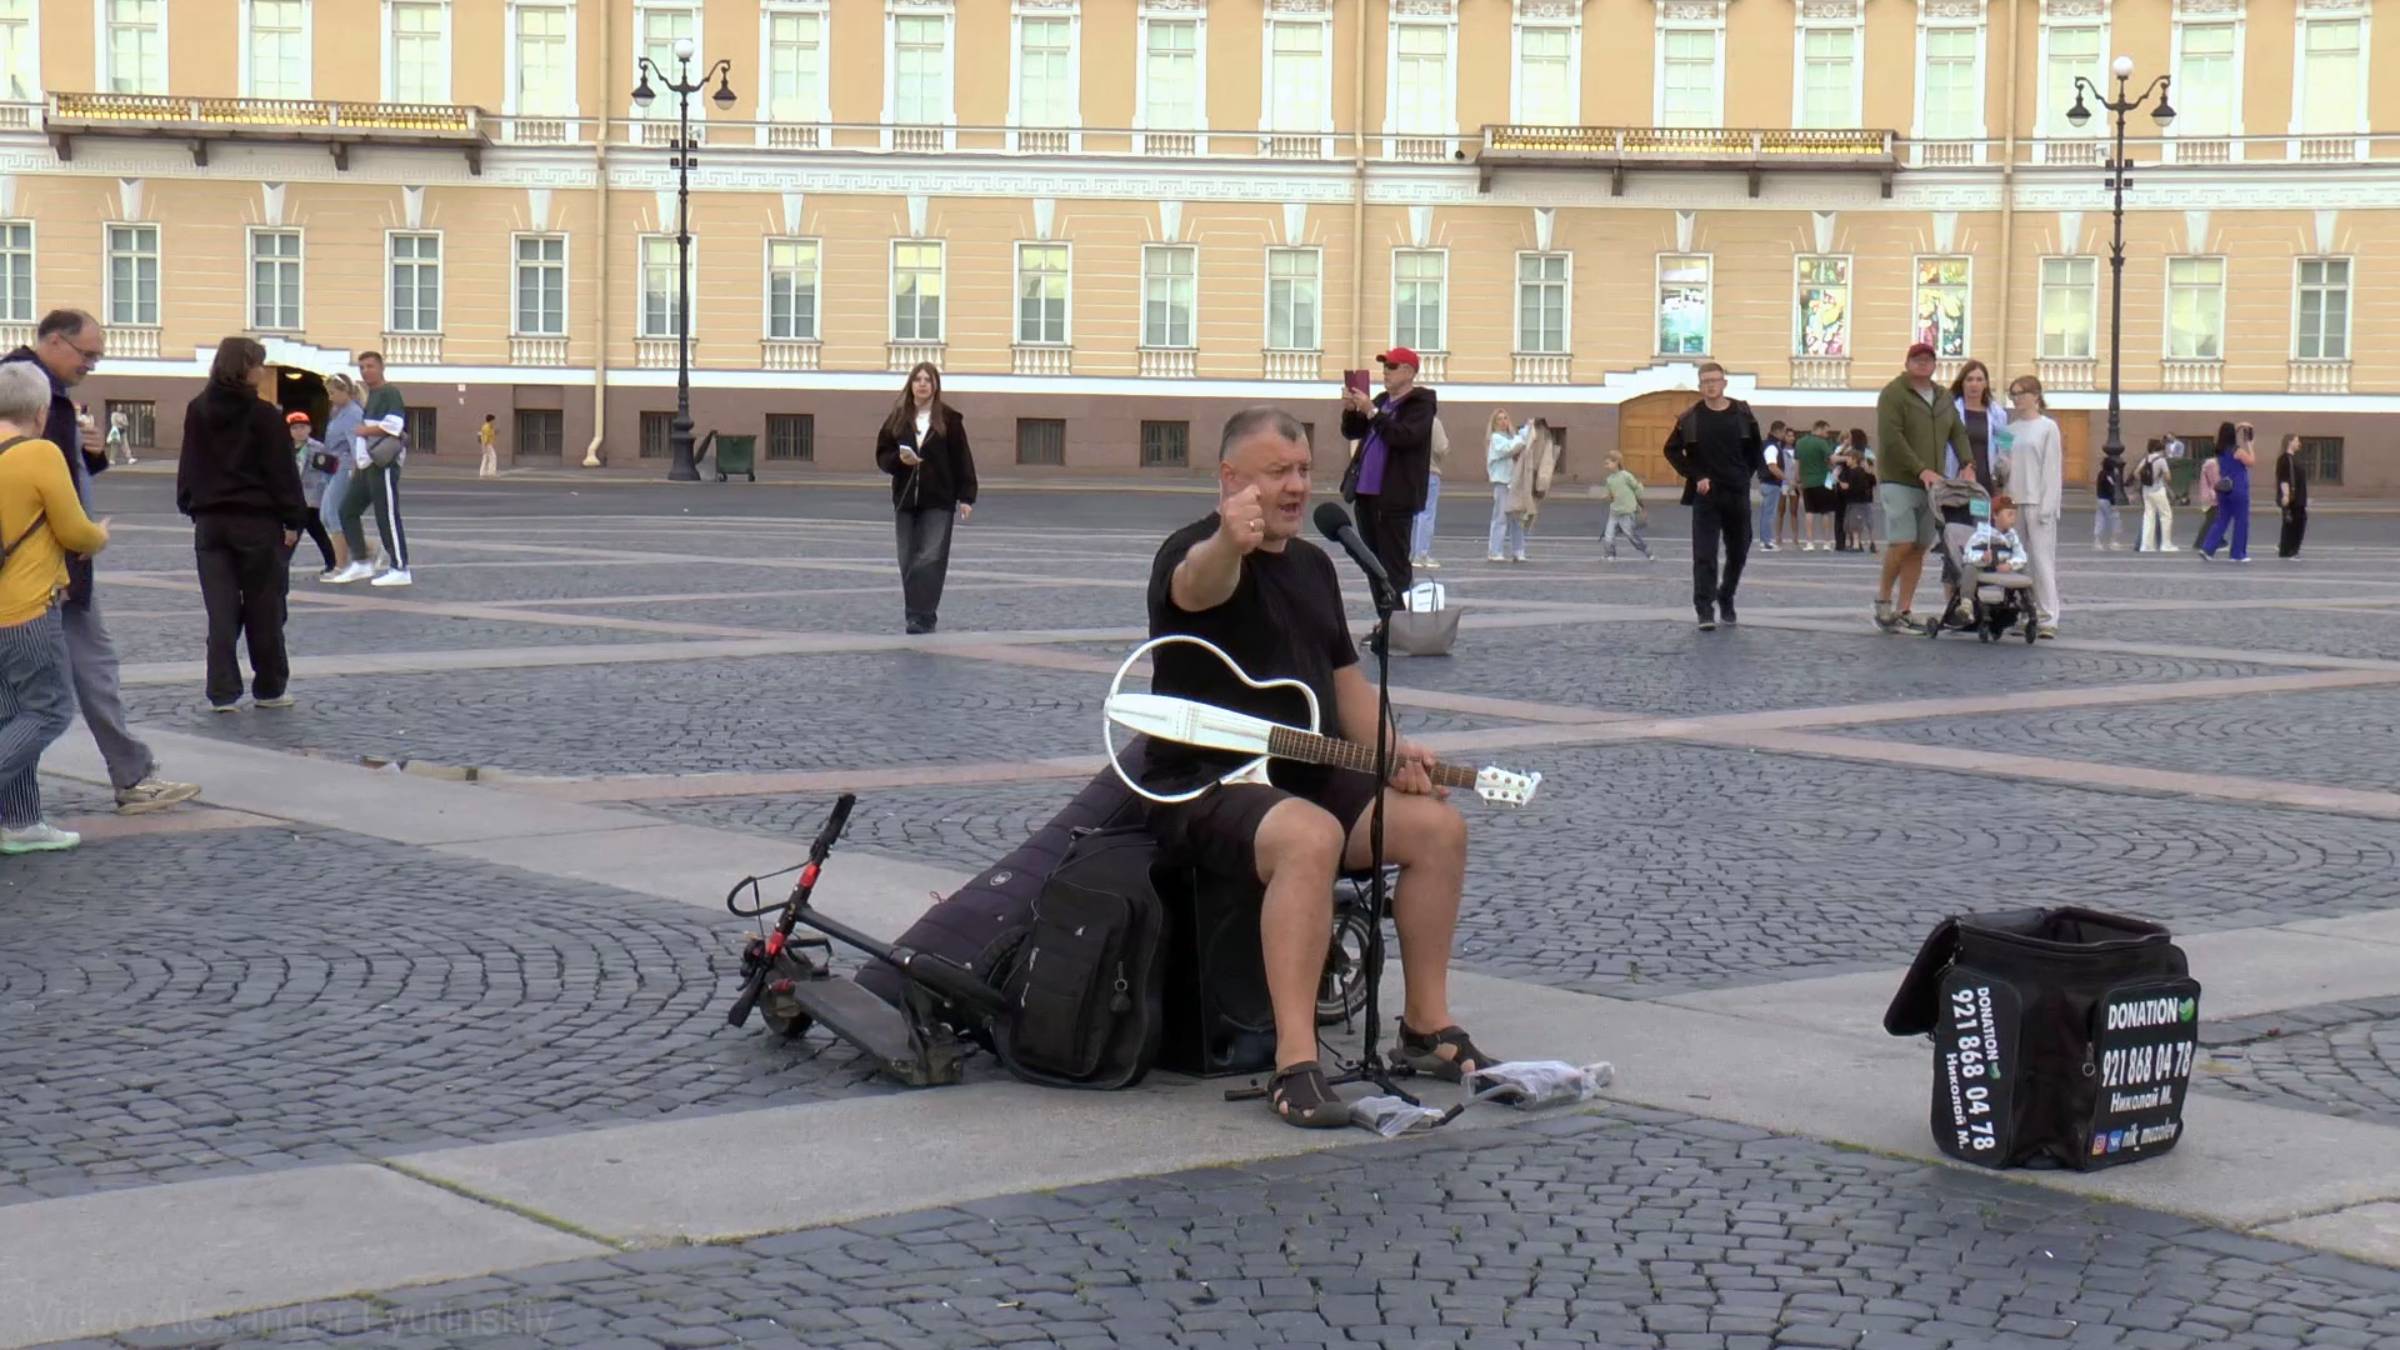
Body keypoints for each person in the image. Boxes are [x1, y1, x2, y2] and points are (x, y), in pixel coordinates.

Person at [1146, 406, 1490, 1128]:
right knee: (1310, 836)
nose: (1298, 486)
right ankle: (1296, 1063)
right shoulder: (1194, 552)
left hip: (1306, 773)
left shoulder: (1312, 565)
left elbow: (1346, 684)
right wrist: (1228, 541)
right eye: (1278, 472)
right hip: (1204, 783)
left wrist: (1393, 754)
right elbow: (1197, 586)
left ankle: (1425, 1025)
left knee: (1436, 828)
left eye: (1303, 470)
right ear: (1231, 478)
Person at [0, 311, 199, 814]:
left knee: (30, 696)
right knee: (55, 700)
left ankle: (22, 815)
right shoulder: (32, 396)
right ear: (54, 341)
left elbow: (52, 479)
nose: (92, 364)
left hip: (41, 572)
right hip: (49, 574)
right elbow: (49, 492)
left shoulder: (46, 395)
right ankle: (129, 778)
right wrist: (88, 541)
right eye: (86, 354)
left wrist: (91, 456)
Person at [0, 363, 112, 853]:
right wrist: (99, 535)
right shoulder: (39, 452)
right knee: (49, 711)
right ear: (41, 411)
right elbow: (73, 530)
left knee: (11, 717)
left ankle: (20, 822)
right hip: (25, 608)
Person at [179, 338, 307, 712]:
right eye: (258, 365)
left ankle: (221, 691)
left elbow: (190, 462)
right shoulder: (264, 415)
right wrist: (293, 518)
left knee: (220, 610)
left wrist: (191, 502)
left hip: (211, 523)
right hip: (256, 522)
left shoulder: (197, 409)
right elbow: (281, 472)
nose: (262, 372)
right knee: (264, 608)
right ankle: (269, 688)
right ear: (244, 368)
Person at [1871, 342, 1974, 634]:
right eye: (1917, 359)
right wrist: (1920, 469)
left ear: (1934, 365)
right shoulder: (1894, 393)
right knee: (1902, 542)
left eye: (1928, 359)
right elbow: (1892, 438)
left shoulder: (1943, 397)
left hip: (1932, 485)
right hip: (1899, 479)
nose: (1923, 363)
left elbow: (1958, 431)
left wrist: (1967, 463)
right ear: (1907, 363)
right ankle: (1883, 602)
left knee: (1919, 547)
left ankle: (1904, 609)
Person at [875, 362, 977, 634]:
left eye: (927, 380)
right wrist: (900, 460)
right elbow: (882, 455)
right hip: (906, 498)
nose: (922, 384)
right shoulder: (898, 418)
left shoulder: (949, 419)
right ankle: (916, 613)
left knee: (930, 557)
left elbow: (962, 459)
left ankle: (921, 616)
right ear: (910, 385)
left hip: (939, 499)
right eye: (917, 379)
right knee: (907, 559)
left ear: (935, 386)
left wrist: (966, 496)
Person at [1661, 362, 1763, 631]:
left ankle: (1726, 595)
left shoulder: (1742, 413)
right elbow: (1671, 450)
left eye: (1715, 380)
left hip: (1737, 492)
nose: (1710, 385)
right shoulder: (1690, 418)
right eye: (1705, 381)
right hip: (1706, 496)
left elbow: (1755, 449)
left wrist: (1745, 475)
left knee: (1739, 550)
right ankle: (1704, 609)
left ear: (1724, 383)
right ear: (1700, 386)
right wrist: (1696, 476)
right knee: (1704, 554)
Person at [1339, 347, 1436, 594]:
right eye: (1384, 366)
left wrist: (1372, 412)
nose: (1385, 372)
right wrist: (1351, 410)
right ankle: (1383, 614)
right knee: (1372, 564)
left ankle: (1399, 614)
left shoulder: (1420, 404)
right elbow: (1352, 432)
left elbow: (1404, 437)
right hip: (1365, 494)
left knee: (1394, 566)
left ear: (1409, 372)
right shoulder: (1382, 400)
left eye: (1391, 367)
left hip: (1395, 497)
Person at [1937, 360, 2009, 626]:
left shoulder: (1997, 413)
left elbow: (2005, 444)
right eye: (1970, 379)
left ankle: (1969, 602)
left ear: (1986, 383)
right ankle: (1951, 605)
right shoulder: (1950, 409)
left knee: (1978, 543)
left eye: (1979, 379)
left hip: (1982, 490)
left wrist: (2004, 469)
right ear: (1962, 382)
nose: (1975, 385)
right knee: (1953, 545)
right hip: (1956, 489)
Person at [2004, 375, 2065, 639]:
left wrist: (2048, 506)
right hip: (2013, 502)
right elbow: (2002, 464)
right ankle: (2023, 613)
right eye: (2013, 394)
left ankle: (2048, 617)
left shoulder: (2048, 427)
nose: (2016, 399)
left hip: (2038, 502)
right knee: (2017, 562)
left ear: (2035, 396)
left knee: (2042, 561)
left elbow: (2052, 470)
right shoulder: (2008, 430)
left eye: (2020, 393)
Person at [330, 414, 414, 586]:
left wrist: (365, 430)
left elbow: (395, 427)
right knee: (347, 510)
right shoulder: (355, 410)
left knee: (386, 515)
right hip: (364, 465)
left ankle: (399, 567)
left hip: (379, 463)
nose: (330, 400)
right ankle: (361, 561)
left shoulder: (375, 404)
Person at [318, 372, 365, 578]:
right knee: (325, 516)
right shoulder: (338, 411)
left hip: (345, 467)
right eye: (328, 393)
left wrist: (356, 470)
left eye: (333, 392)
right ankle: (367, 549)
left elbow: (357, 445)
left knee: (333, 514)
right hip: (333, 467)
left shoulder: (353, 413)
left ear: (345, 391)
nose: (330, 397)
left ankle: (341, 566)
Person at [287, 411, 340, 578]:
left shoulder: (317, 447)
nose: (299, 431)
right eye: (294, 428)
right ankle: (333, 562)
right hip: (293, 495)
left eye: (302, 427)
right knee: (317, 531)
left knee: (296, 528)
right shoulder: (285, 447)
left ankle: (283, 563)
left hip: (311, 496)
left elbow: (329, 469)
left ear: (309, 428)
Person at [2198, 422, 2255, 563]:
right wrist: (2250, 445)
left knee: (2222, 520)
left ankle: (2207, 548)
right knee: (2241, 521)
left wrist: (2239, 426)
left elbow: (2227, 434)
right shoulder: (2237, 451)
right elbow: (2251, 462)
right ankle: (2238, 553)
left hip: (2224, 488)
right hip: (2238, 488)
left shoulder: (2220, 450)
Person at [1483, 410, 1533, 563]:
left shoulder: (1511, 437)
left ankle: (1518, 551)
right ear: (1494, 423)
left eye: (1505, 418)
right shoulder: (1496, 438)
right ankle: (1495, 551)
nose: (1503, 421)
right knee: (1501, 517)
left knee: (1517, 517)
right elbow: (1509, 449)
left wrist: (1528, 429)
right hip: (1502, 482)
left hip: (1514, 482)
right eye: (1499, 419)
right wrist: (1523, 434)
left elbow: (1520, 443)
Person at [1408, 413, 1448, 573]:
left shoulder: (1409, 419)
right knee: (1427, 514)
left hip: (1411, 472)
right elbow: (1441, 448)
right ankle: (1421, 554)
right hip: (1430, 471)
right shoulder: (1433, 422)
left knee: (1412, 515)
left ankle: (1410, 553)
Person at [1599, 453, 1653, 561]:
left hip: (1627, 512)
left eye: (1608, 463)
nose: (1606, 466)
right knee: (1608, 535)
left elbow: (1636, 487)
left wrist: (1637, 501)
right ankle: (1611, 554)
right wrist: (1607, 495)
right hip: (1614, 512)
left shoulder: (1625, 475)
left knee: (1630, 535)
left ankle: (1647, 551)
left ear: (1616, 462)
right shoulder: (1609, 479)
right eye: (1605, 464)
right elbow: (1611, 493)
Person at [1795, 420, 1838, 551]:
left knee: (1809, 511)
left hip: (1807, 481)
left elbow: (1797, 462)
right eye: (1826, 431)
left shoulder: (1800, 442)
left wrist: (1798, 479)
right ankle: (1826, 542)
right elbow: (1832, 459)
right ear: (1819, 429)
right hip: (1823, 480)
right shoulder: (1821, 442)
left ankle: (1809, 542)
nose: (1827, 434)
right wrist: (1845, 458)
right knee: (1825, 512)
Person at [1964, 494, 2027, 573]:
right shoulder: (1981, 535)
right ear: (1995, 515)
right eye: (2009, 514)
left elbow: (2021, 556)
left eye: (2015, 515)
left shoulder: (2012, 537)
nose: (2013, 519)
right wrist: (1982, 557)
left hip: (2006, 574)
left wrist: (2010, 564)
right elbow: (1966, 556)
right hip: (1984, 572)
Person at [2137, 438, 2179, 553]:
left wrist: (2146, 480)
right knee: (2166, 515)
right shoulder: (2161, 460)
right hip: (2158, 490)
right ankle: (2166, 544)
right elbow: (2168, 477)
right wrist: (2158, 478)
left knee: (2148, 517)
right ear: (2160, 448)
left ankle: (2146, 546)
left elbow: (2136, 473)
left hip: (2146, 490)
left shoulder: (2146, 459)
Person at [2275, 433, 2309, 560]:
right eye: (2296, 440)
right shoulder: (2284, 459)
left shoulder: (2294, 458)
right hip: (2293, 498)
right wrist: (2285, 495)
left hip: (2299, 497)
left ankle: (2286, 549)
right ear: (2289, 442)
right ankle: (2291, 550)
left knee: (2294, 523)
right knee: (2294, 523)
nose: (2299, 443)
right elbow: (2283, 478)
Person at [1756, 420, 1787, 551]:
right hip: (1771, 483)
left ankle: (1765, 540)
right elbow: (1772, 467)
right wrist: (1786, 478)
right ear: (1778, 431)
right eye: (1784, 431)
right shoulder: (1772, 447)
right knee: (1769, 514)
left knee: (1766, 513)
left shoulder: (1766, 444)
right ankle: (1766, 542)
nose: (1785, 434)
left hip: (1766, 482)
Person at [2093, 447, 2128, 551]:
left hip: (2100, 499)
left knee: (2100, 520)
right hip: (2108, 500)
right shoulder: (2109, 475)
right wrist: (2113, 503)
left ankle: (2097, 541)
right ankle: (2113, 541)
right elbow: (2111, 488)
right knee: (2115, 520)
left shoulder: (2101, 473)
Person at [2193, 450, 2221, 551]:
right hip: (2211, 496)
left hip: (2209, 495)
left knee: (2213, 519)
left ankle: (2218, 541)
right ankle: (2200, 542)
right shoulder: (2212, 464)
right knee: (2211, 520)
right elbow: (2216, 481)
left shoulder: (2210, 464)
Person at [477, 413, 499, 478]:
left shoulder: (489, 427)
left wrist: (495, 432)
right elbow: (484, 438)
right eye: (494, 420)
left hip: (488, 444)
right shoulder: (487, 427)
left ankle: (483, 473)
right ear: (491, 420)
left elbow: (490, 434)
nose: (494, 422)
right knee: (493, 457)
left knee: (486, 458)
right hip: (487, 445)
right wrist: (483, 448)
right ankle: (491, 473)